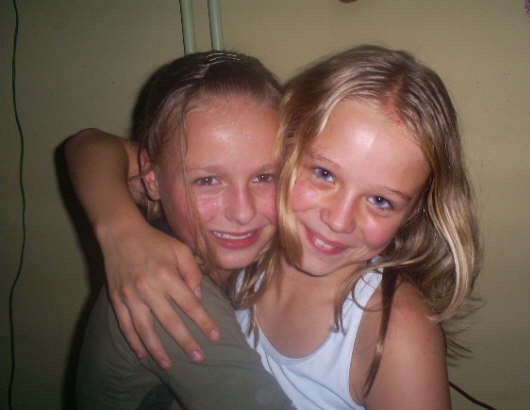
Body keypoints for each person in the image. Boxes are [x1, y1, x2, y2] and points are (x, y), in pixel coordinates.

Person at [70, 45, 480, 409]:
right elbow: (89, 145)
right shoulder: (255, 239)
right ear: (289, 147)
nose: (338, 221)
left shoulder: (396, 332)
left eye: (380, 201)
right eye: (323, 173)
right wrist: (121, 231)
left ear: (413, 211)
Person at [66, 51, 294, 409]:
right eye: (207, 180)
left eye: (265, 176)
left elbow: (89, 145)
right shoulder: (170, 292)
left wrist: (119, 226)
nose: (243, 211)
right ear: (151, 179)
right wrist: (119, 232)